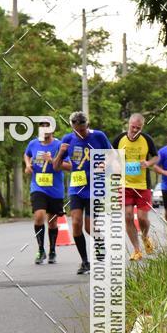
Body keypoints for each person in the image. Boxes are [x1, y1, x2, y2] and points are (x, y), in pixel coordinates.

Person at [53, 111, 112, 275]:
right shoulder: (67, 140)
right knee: (76, 223)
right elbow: (56, 167)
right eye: (76, 130)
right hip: (76, 188)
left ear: (87, 124)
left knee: (89, 227)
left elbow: (112, 156)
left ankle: (101, 246)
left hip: (96, 187)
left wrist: (103, 165)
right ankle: (85, 262)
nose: (80, 133)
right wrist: (59, 153)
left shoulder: (99, 136)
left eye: (83, 129)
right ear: (72, 127)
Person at [111, 113, 158, 260]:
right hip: (124, 185)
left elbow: (156, 157)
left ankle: (145, 237)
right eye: (133, 127)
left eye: (138, 128)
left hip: (143, 185)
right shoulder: (119, 139)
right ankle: (137, 250)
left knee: (143, 218)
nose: (135, 130)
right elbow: (110, 156)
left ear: (142, 127)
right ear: (128, 124)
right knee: (128, 216)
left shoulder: (147, 139)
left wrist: (148, 163)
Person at [24, 120, 70, 265]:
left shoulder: (59, 145)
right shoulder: (33, 144)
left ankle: (52, 250)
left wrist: (53, 160)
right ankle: (40, 249)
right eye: (42, 128)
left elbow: (69, 166)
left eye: (47, 128)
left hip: (55, 189)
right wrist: (27, 165)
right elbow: (27, 154)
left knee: (52, 222)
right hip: (38, 187)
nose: (44, 131)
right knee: (39, 216)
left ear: (52, 130)